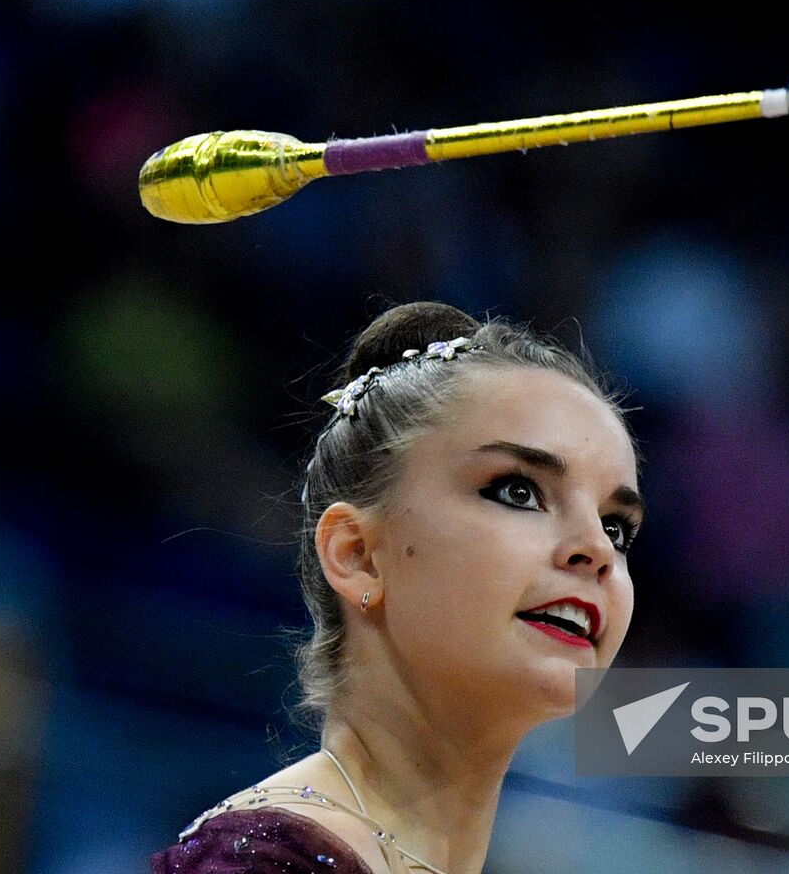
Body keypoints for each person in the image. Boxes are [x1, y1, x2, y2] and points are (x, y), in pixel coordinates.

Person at [151, 301, 645, 874]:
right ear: (358, 555)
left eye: (617, 527)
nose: (598, 549)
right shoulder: (260, 865)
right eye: (518, 491)